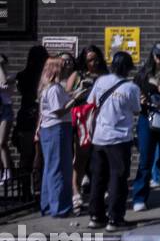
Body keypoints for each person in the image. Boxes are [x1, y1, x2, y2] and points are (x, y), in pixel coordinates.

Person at [84, 51, 141, 230]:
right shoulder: (131, 88)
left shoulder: (100, 81)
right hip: (119, 139)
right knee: (118, 179)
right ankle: (115, 219)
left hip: (99, 137)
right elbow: (136, 109)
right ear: (127, 68)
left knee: (98, 179)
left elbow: (90, 101)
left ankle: (96, 216)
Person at [131, 41, 160, 212]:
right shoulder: (143, 74)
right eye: (156, 54)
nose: (159, 58)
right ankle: (139, 198)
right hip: (146, 118)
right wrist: (139, 101)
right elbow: (132, 97)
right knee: (145, 160)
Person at [67, 45, 107, 211]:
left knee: (100, 155)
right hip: (82, 117)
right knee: (81, 156)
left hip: (100, 116)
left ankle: (99, 191)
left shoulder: (105, 75)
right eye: (90, 60)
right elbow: (66, 94)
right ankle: (75, 191)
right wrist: (79, 90)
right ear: (84, 61)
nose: (94, 63)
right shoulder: (78, 75)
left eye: (96, 59)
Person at [37, 56, 75, 217]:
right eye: (62, 65)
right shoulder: (54, 89)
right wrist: (75, 100)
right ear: (55, 69)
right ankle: (60, 208)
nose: (66, 66)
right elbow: (59, 111)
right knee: (59, 169)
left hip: (48, 129)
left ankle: (47, 205)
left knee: (50, 168)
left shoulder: (47, 88)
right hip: (57, 128)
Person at [14, 45, 48, 201]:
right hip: (41, 117)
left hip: (25, 117)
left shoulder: (22, 76)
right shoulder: (46, 76)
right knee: (41, 157)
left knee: (25, 157)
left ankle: (25, 191)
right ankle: (39, 190)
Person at [0, 51, 14, 185]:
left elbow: (4, 82)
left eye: (3, 63)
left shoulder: (9, 77)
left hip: (5, 109)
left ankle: (7, 171)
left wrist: (0, 67)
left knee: (2, 142)